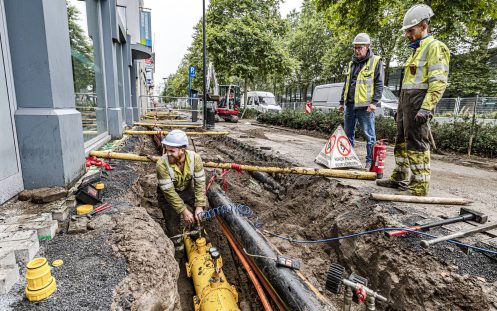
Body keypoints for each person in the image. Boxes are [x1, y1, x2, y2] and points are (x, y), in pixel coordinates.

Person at [376, 4, 450, 196]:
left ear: (424, 25)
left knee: (417, 143)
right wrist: (401, 110)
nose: (407, 34)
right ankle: (400, 176)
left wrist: (426, 108)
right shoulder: (416, 50)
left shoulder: (435, 48)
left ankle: (419, 185)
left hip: (419, 103)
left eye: (411, 30)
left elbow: (438, 82)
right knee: (401, 140)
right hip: (407, 103)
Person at [338, 33, 384, 171]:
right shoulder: (351, 63)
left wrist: (374, 102)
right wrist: (342, 102)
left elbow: (379, 84)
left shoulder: (376, 61)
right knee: (348, 135)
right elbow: (347, 84)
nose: (357, 50)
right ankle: (348, 159)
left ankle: (369, 162)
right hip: (350, 105)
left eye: (360, 47)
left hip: (365, 107)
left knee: (369, 136)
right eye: (355, 48)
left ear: (368, 46)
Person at [156, 129, 206, 236]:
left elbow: (200, 183)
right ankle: (178, 244)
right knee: (173, 223)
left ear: (182, 150)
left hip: (186, 190)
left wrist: (199, 206)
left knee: (202, 211)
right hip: (167, 195)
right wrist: (184, 211)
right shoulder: (161, 164)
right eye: (167, 150)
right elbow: (169, 192)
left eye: (172, 151)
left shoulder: (195, 159)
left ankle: (197, 231)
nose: (168, 154)